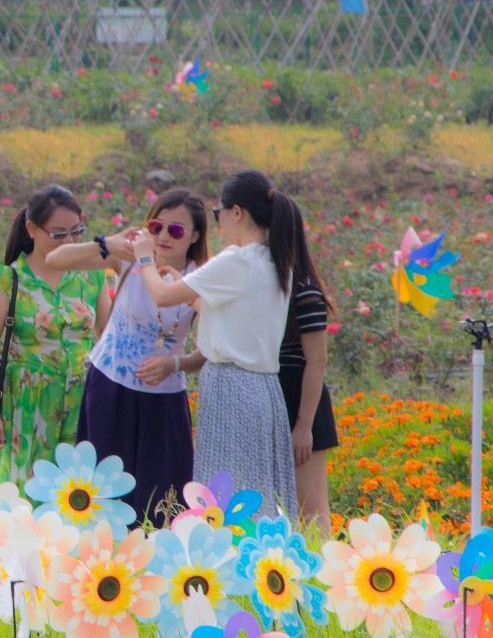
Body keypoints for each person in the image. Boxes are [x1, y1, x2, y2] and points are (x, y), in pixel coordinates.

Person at [129, 170, 303, 520]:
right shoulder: (275, 261)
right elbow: (232, 318)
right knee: (256, 495)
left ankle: (228, 568)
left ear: (237, 212)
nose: (218, 221)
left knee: (225, 494)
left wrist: (145, 256)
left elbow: (162, 296)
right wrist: (188, 286)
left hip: (231, 385)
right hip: (264, 389)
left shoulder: (236, 259)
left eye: (218, 213)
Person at [46, 189, 209, 524]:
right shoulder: (131, 257)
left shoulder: (202, 275)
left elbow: (215, 348)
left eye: (176, 230)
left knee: (164, 498)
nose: (164, 236)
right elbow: (55, 260)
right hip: (110, 386)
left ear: (194, 236)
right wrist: (105, 244)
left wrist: (174, 364)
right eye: (156, 226)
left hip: (163, 395)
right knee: (104, 493)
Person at [0, 184, 106, 485]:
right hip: (28, 401)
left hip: (83, 397)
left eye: (76, 231)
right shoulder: (8, 279)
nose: (70, 241)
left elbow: (107, 335)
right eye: (58, 234)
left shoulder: (92, 274)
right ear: (32, 228)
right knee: (27, 486)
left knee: (79, 491)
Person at [277, 206, 338, 522]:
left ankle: (318, 571)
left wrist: (303, 425)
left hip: (302, 399)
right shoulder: (267, 286)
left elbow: (317, 361)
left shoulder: (304, 289)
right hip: (276, 395)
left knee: (310, 510)